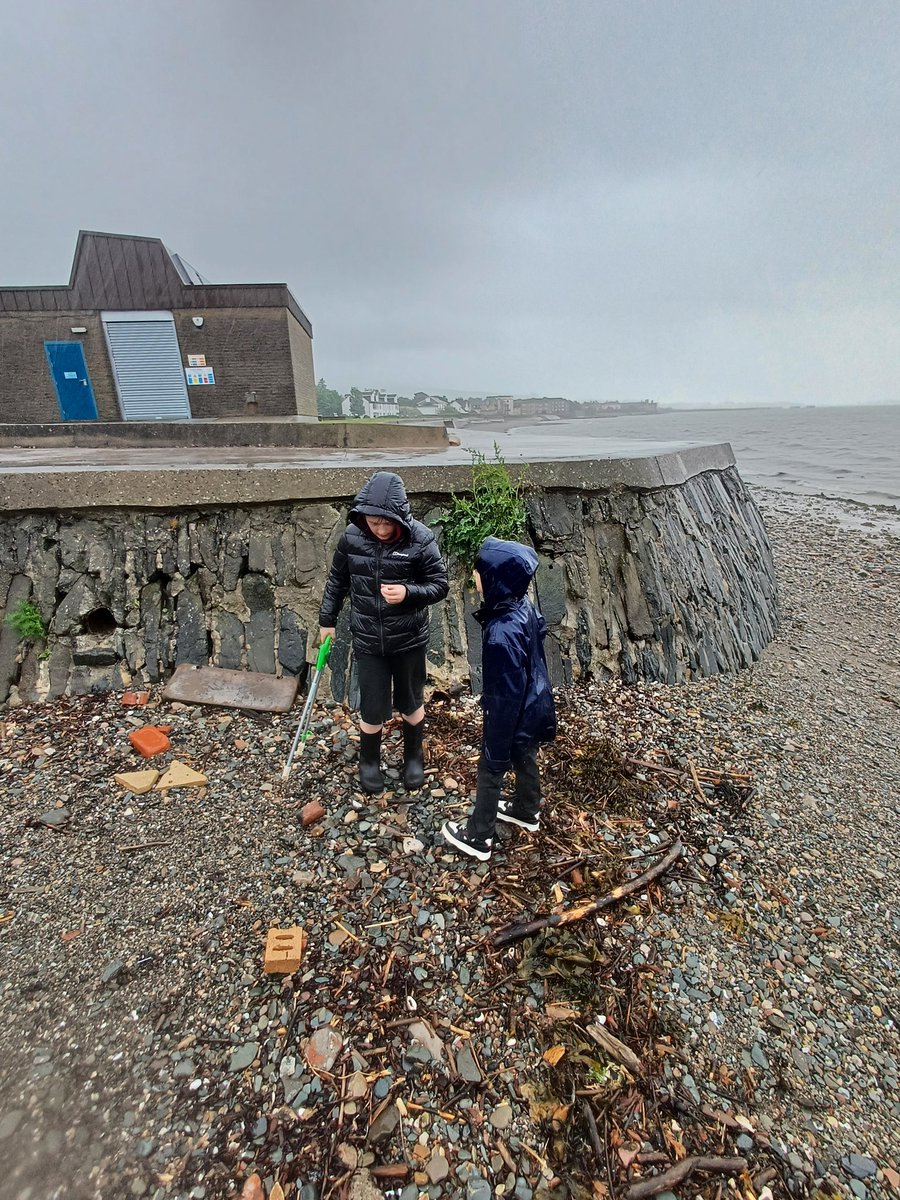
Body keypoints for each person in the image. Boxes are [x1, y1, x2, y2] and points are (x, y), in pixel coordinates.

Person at [318, 471, 449, 794]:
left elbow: (439, 585)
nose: (378, 529)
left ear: (399, 518)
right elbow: (337, 582)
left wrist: (408, 592)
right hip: (367, 639)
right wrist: (327, 620)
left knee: (411, 700)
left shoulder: (421, 539)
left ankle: (413, 757)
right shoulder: (352, 537)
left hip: (408, 638)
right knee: (372, 706)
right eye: (373, 522)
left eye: (385, 523)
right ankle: (369, 762)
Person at [442, 537, 557, 861]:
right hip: (534, 701)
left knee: (491, 766)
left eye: (479, 571)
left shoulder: (501, 632)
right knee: (525, 751)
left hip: (512, 707)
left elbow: (504, 695)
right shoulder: (522, 607)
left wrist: (495, 740)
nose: (474, 576)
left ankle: (479, 835)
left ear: (495, 579)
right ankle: (526, 808)